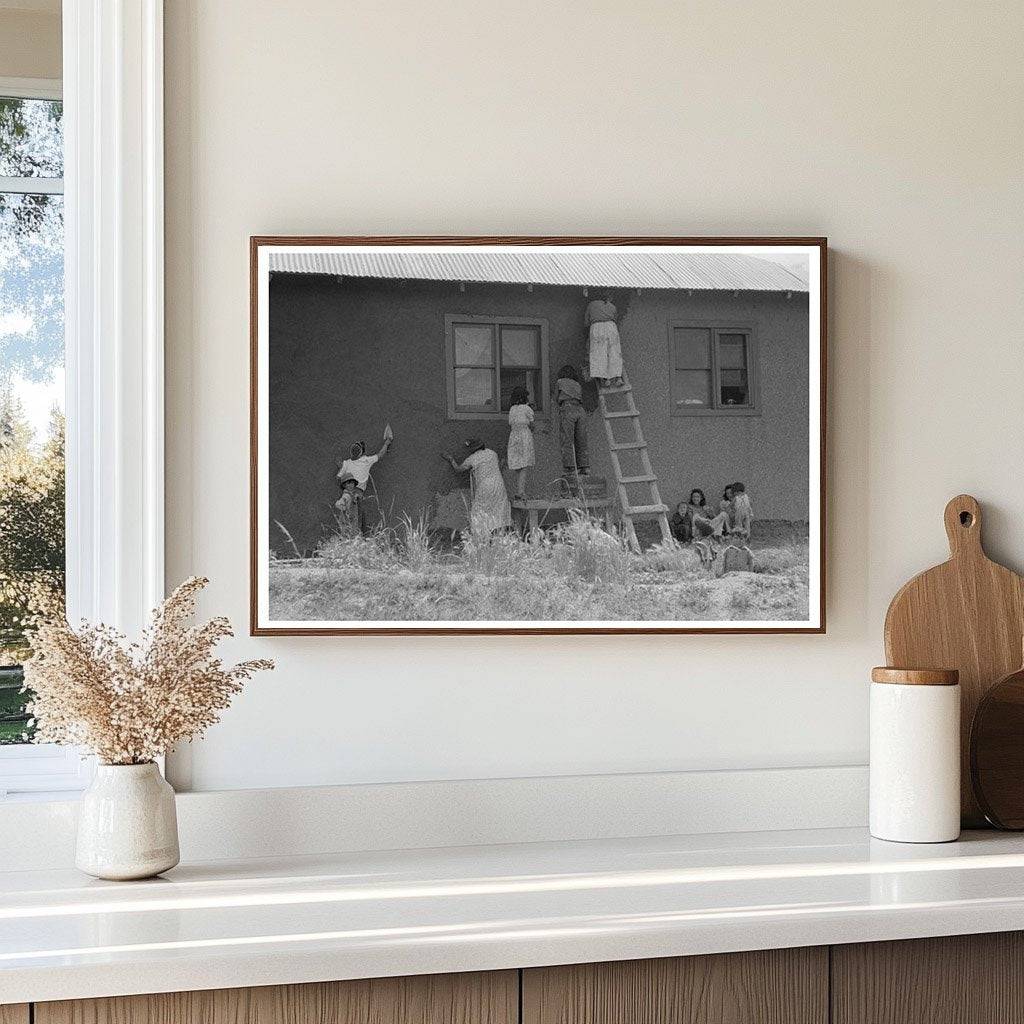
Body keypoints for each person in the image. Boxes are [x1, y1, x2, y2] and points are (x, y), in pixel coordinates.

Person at [442, 438, 512, 537]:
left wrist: (451, 459)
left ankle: (482, 535)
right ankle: (499, 535)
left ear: (472, 449)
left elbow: (458, 469)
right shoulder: (492, 453)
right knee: (499, 508)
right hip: (498, 484)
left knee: (478, 509)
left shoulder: (472, 458)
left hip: (484, 486)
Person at [337, 436, 392, 533]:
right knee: (355, 513)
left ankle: (348, 532)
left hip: (348, 490)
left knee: (347, 512)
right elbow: (380, 454)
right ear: (362, 453)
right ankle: (355, 533)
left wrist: (342, 467)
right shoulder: (367, 460)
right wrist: (387, 443)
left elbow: (338, 477)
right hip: (357, 492)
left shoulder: (346, 463)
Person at [553, 364, 589, 481]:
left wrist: (560, 407)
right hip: (580, 410)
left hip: (567, 408)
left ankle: (570, 468)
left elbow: (556, 398)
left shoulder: (560, 382)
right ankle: (584, 467)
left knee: (567, 439)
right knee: (581, 439)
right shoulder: (577, 384)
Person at [585, 292, 623, 387]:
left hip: (596, 327)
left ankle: (605, 379)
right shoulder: (612, 306)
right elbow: (615, 320)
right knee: (614, 352)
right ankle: (618, 377)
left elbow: (586, 322)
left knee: (599, 353)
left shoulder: (591, 305)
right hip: (611, 327)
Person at [506, 386, 535, 501]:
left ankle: (519, 489)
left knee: (518, 463)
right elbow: (532, 424)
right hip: (524, 436)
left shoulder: (512, 409)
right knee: (524, 464)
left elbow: (510, 423)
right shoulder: (527, 409)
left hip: (514, 436)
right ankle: (521, 491)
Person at [333, 472, 360, 540]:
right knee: (347, 536)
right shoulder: (346, 496)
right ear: (344, 485)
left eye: (352, 483)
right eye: (348, 483)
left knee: (352, 536)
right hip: (347, 521)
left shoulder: (351, 495)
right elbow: (338, 504)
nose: (351, 485)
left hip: (352, 520)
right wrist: (345, 509)